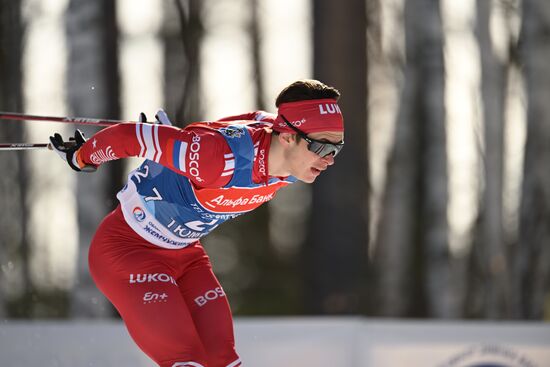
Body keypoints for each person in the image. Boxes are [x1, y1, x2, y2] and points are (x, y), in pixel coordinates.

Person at [50, 79, 344, 367]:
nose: (328, 159)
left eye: (335, 149)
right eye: (320, 147)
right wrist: (81, 156)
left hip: (187, 258)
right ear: (287, 137)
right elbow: (130, 137)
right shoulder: (215, 159)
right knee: (186, 360)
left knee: (223, 360)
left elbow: (252, 119)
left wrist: (183, 138)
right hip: (128, 253)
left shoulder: (294, 163)